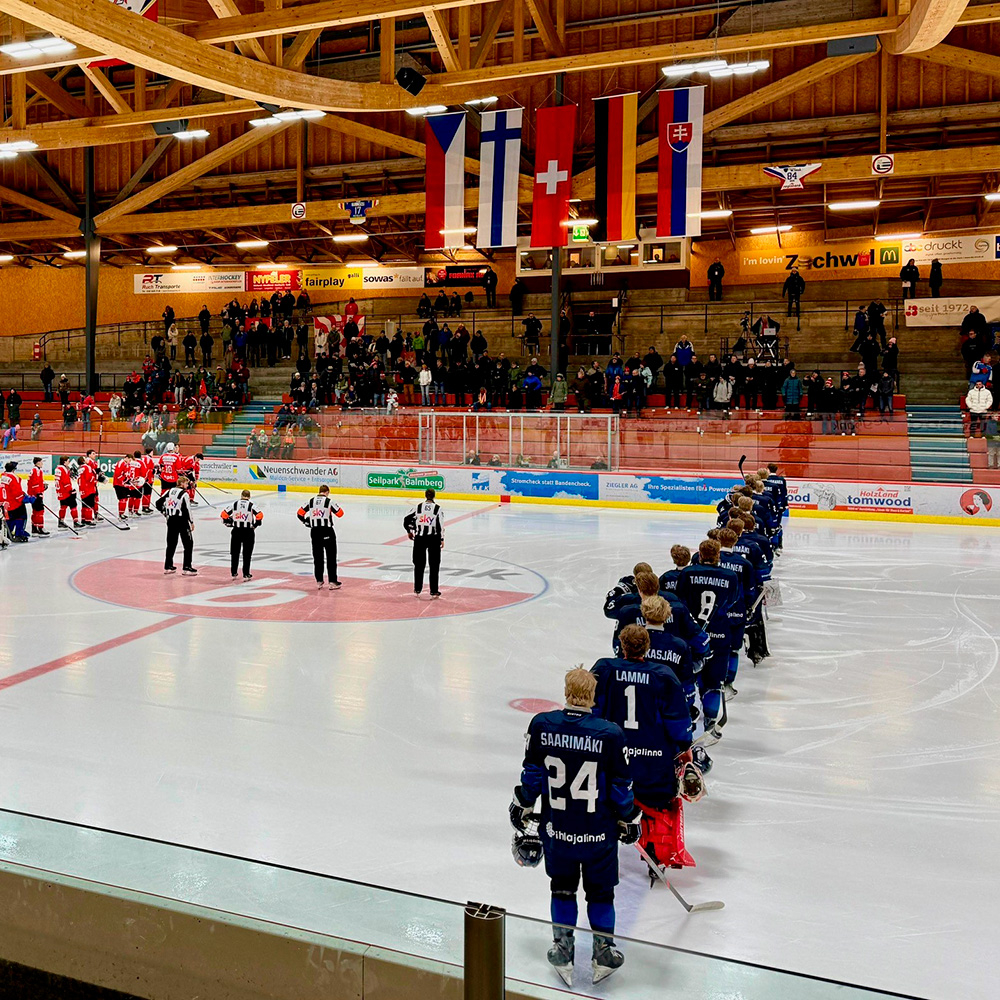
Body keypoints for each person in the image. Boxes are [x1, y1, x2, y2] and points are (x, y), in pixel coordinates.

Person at [510, 667, 640, 988]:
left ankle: (563, 946)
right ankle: (603, 950)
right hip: (598, 835)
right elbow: (621, 789)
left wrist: (524, 803)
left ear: (567, 692)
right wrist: (627, 817)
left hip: (557, 832)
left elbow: (532, 777)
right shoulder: (609, 733)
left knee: (562, 889)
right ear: (592, 696)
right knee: (601, 892)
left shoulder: (542, 725)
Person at [592, 621, 695, 874]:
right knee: (657, 801)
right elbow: (678, 721)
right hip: (653, 758)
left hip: (613, 754)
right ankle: (655, 854)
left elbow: (592, 711)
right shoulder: (663, 675)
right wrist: (684, 748)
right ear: (647, 647)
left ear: (621, 646)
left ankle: (601, 852)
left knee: (605, 799)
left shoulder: (604, 669)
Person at [676, 539, 740, 741]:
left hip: (691, 635)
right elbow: (731, 601)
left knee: (686, 677)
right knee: (713, 681)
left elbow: (680, 601)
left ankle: (686, 718)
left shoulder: (687, 573)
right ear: (718, 555)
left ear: (700, 555)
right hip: (719, 633)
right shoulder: (730, 576)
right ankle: (711, 721)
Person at [297, 484, 344, 589]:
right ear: (327, 492)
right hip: (327, 531)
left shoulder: (310, 501)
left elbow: (299, 513)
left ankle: (319, 581)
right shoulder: (329, 501)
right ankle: (332, 582)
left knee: (317, 557)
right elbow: (340, 513)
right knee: (331, 557)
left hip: (314, 532)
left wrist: (306, 521)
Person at [404, 487, 444, 598]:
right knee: (434, 565)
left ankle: (417, 588)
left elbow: (406, 519)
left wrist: (410, 531)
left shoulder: (418, 507)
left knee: (419, 564)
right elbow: (441, 525)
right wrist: (442, 539)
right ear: (434, 496)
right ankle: (434, 590)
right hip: (433, 539)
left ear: (425, 496)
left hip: (420, 539)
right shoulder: (437, 509)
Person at [156, 474, 197, 575]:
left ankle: (168, 566)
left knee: (171, 544)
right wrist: (191, 522)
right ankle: (187, 567)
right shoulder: (184, 494)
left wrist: (165, 512)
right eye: (186, 483)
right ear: (182, 483)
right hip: (182, 521)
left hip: (171, 521)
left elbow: (158, 503)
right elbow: (187, 509)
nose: (187, 485)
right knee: (188, 544)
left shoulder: (169, 491)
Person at [221, 489, 263, 581]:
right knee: (247, 554)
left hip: (236, 531)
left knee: (235, 553)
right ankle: (246, 573)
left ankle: (234, 572)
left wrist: (229, 522)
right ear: (249, 496)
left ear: (241, 495)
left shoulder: (234, 504)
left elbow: (223, 514)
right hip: (248, 532)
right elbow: (260, 515)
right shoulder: (252, 505)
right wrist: (255, 525)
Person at [1, 461, 30, 542]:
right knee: (21, 517)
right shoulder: (13, 477)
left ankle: (8, 533)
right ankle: (19, 534)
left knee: (10, 518)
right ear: (14, 469)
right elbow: (17, 494)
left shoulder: (3, 476)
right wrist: (27, 499)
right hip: (15, 503)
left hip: (6, 503)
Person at [54, 456, 82, 529]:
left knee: (63, 506)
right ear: (64, 462)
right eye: (68, 461)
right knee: (73, 506)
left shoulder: (58, 469)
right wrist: (71, 490)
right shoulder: (63, 469)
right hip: (66, 492)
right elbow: (65, 481)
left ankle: (61, 522)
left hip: (60, 492)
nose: (69, 462)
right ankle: (76, 522)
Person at [27, 456, 48, 535]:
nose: (42, 463)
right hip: (36, 494)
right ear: (38, 462)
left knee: (35, 511)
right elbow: (35, 483)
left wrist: (42, 486)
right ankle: (40, 528)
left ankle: (34, 528)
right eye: (41, 462)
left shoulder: (35, 470)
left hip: (33, 494)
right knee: (40, 511)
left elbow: (34, 483)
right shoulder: (36, 470)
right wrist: (38, 493)